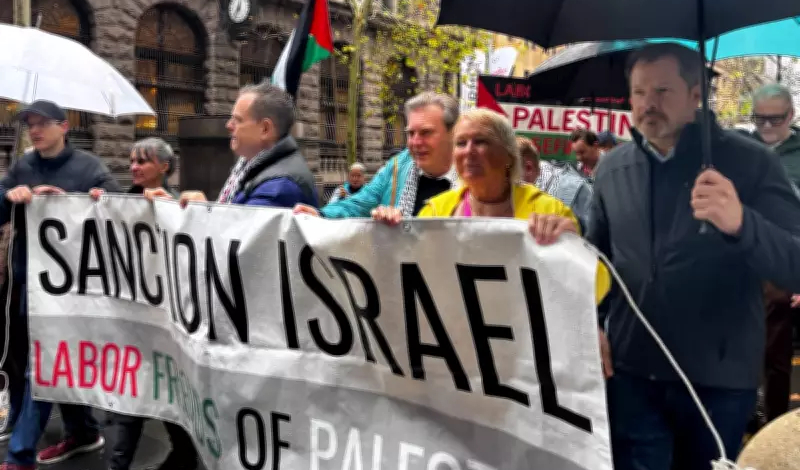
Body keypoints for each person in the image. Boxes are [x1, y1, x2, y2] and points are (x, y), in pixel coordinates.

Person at [548, 43, 800, 470]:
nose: (648, 103)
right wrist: (587, 309)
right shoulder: (613, 168)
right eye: (639, 92)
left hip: (717, 379)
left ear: (695, 95)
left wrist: (741, 222)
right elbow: (598, 261)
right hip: (633, 372)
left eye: (663, 90)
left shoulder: (751, 162)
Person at [0, 101, 120, 470]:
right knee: (40, 360)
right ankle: (83, 431)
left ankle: (20, 458)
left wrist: (96, 200)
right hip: (27, 281)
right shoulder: (22, 166)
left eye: (42, 124)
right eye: (30, 124)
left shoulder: (89, 168)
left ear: (64, 127)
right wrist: (13, 196)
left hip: (70, 289)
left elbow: (119, 212)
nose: (34, 130)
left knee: (44, 364)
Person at [372, 108, 610, 305]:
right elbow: (406, 278)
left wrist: (572, 245)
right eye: (461, 143)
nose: (469, 151)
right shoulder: (436, 211)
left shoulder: (549, 211)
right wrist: (388, 235)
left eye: (481, 141)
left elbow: (595, 291)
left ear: (508, 155)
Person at [88, 138, 198, 470]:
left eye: (143, 161)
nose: (134, 167)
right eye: (132, 161)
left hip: (163, 321)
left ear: (164, 167)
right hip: (130, 320)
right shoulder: (121, 203)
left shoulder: (176, 204)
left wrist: (170, 209)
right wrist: (91, 206)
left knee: (161, 395)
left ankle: (173, 460)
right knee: (136, 396)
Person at [150, 82, 318, 209]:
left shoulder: (280, 186)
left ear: (265, 129)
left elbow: (240, 237)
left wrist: (204, 212)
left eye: (237, 120)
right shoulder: (251, 168)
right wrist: (173, 206)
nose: (228, 125)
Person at [294, 92, 459, 219]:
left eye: (426, 132)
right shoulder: (397, 167)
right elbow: (361, 202)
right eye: (411, 133)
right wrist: (321, 215)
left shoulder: (471, 176)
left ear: (452, 133)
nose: (415, 142)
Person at [748, 83, 800, 426]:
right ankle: (744, 414)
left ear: (791, 115)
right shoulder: (741, 149)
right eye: (759, 119)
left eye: (775, 119)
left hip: (782, 266)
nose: (766, 126)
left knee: (774, 354)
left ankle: (773, 426)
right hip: (740, 262)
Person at [519, 137, 594, 232]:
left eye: (508, 173)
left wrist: (573, 230)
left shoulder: (577, 189)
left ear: (528, 168)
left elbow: (596, 234)